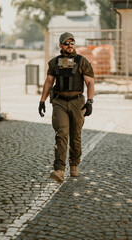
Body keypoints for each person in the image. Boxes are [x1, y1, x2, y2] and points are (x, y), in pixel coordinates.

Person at [38, 32, 94, 183]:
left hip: (77, 102)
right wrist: (42, 101)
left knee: (75, 136)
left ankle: (74, 165)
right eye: (66, 43)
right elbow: (49, 82)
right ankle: (59, 170)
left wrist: (90, 101)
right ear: (61, 45)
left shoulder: (82, 61)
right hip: (59, 102)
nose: (69, 46)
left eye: (72, 42)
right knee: (61, 133)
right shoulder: (54, 63)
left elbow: (89, 82)